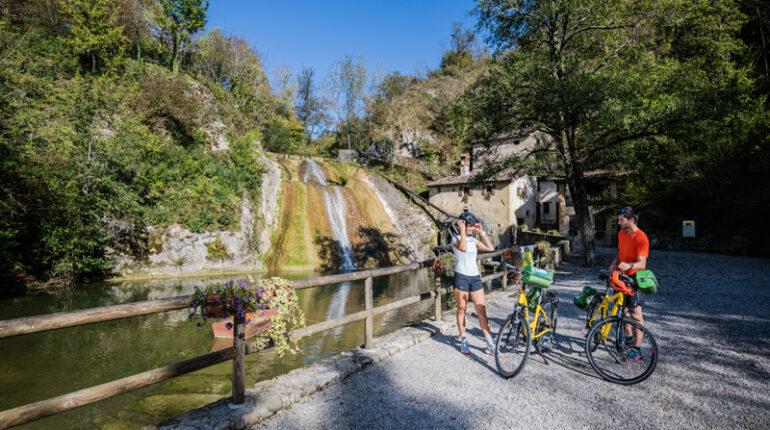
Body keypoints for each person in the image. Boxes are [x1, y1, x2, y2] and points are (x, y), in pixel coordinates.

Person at [452, 211, 497, 355]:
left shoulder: (474, 240)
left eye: (472, 226)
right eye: (469, 226)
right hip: (461, 277)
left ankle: (490, 344)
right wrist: (462, 231)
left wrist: (481, 232)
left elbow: (490, 248)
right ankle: (463, 340)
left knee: (481, 310)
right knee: (462, 309)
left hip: (475, 277)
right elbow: (463, 248)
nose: (471, 228)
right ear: (462, 225)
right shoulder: (455, 239)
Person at [609, 206, 650, 363]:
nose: (618, 223)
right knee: (622, 309)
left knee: (636, 315)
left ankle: (637, 350)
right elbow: (621, 252)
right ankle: (628, 339)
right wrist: (614, 262)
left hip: (634, 280)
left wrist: (629, 265)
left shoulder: (641, 238)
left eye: (621, 220)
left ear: (631, 220)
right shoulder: (622, 233)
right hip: (621, 277)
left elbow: (642, 263)